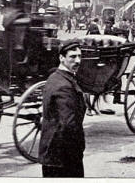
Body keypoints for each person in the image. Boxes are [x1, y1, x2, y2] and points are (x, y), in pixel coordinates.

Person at [38, 39, 86, 177]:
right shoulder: (64, 85)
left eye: (80, 56)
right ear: (61, 58)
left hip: (52, 154)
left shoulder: (55, 78)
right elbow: (68, 124)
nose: (77, 61)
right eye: (72, 56)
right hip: (63, 157)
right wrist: (77, 150)